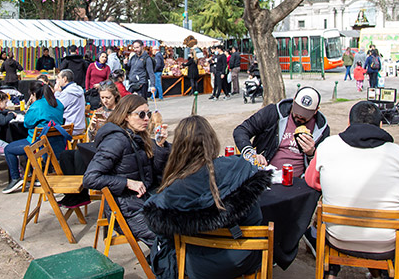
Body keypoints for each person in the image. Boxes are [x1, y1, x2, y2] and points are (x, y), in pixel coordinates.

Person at [305, 101, 399, 279]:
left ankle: (331, 271)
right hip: (387, 243)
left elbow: (311, 181)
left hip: (337, 237)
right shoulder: (398, 154)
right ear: (381, 125)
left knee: (328, 209)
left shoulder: (327, 147)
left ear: (349, 123)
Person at [143, 115, 272, 279]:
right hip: (241, 257)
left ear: (179, 148)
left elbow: (156, 225)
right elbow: (255, 218)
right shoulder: (242, 168)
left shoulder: (173, 190)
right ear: (213, 140)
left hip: (194, 264)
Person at [83, 94, 170, 248]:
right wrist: (127, 183)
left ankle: (169, 264)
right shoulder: (116, 141)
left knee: (183, 218)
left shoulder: (138, 136)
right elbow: (90, 178)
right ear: (126, 116)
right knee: (170, 234)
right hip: (126, 210)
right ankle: (168, 267)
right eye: (141, 114)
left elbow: (152, 173)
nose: (146, 119)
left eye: (148, 114)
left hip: (144, 200)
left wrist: (160, 146)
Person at [233, 86, 330, 176]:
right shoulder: (273, 113)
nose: (300, 116)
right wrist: (251, 155)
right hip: (266, 173)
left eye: (305, 114)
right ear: (294, 101)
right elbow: (241, 131)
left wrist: (311, 154)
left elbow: (322, 167)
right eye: (298, 110)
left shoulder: (321, 130)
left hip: (299, 181)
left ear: (316, 110)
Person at [56, 81, 122, 209]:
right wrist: (92, 127)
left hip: (113, 148)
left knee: (80, 155)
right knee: (65, 155)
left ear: (115, 96)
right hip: (98, 145)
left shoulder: (121, 111)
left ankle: (82, 194)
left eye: (108, 97)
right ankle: (72, 193)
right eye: (102, 98)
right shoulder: (99, 111)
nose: (105, 101)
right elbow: (91, 136)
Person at [2, 81, 64, 193]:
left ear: (34, 94)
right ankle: (37, 173)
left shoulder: (37, 105)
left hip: (39, 144)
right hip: (57, 144)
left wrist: (31, 105)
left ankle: (16, 178)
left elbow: (27, 123)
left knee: (8, 149)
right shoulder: (58, 103)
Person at [55, 69, 86, 135]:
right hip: (80, 126)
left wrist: (56, 92)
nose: (57, 81)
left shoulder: (68, 92)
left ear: (64, 79)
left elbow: (56, 107)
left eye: (58, 78)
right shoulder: (79, 89)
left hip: (70, 127)